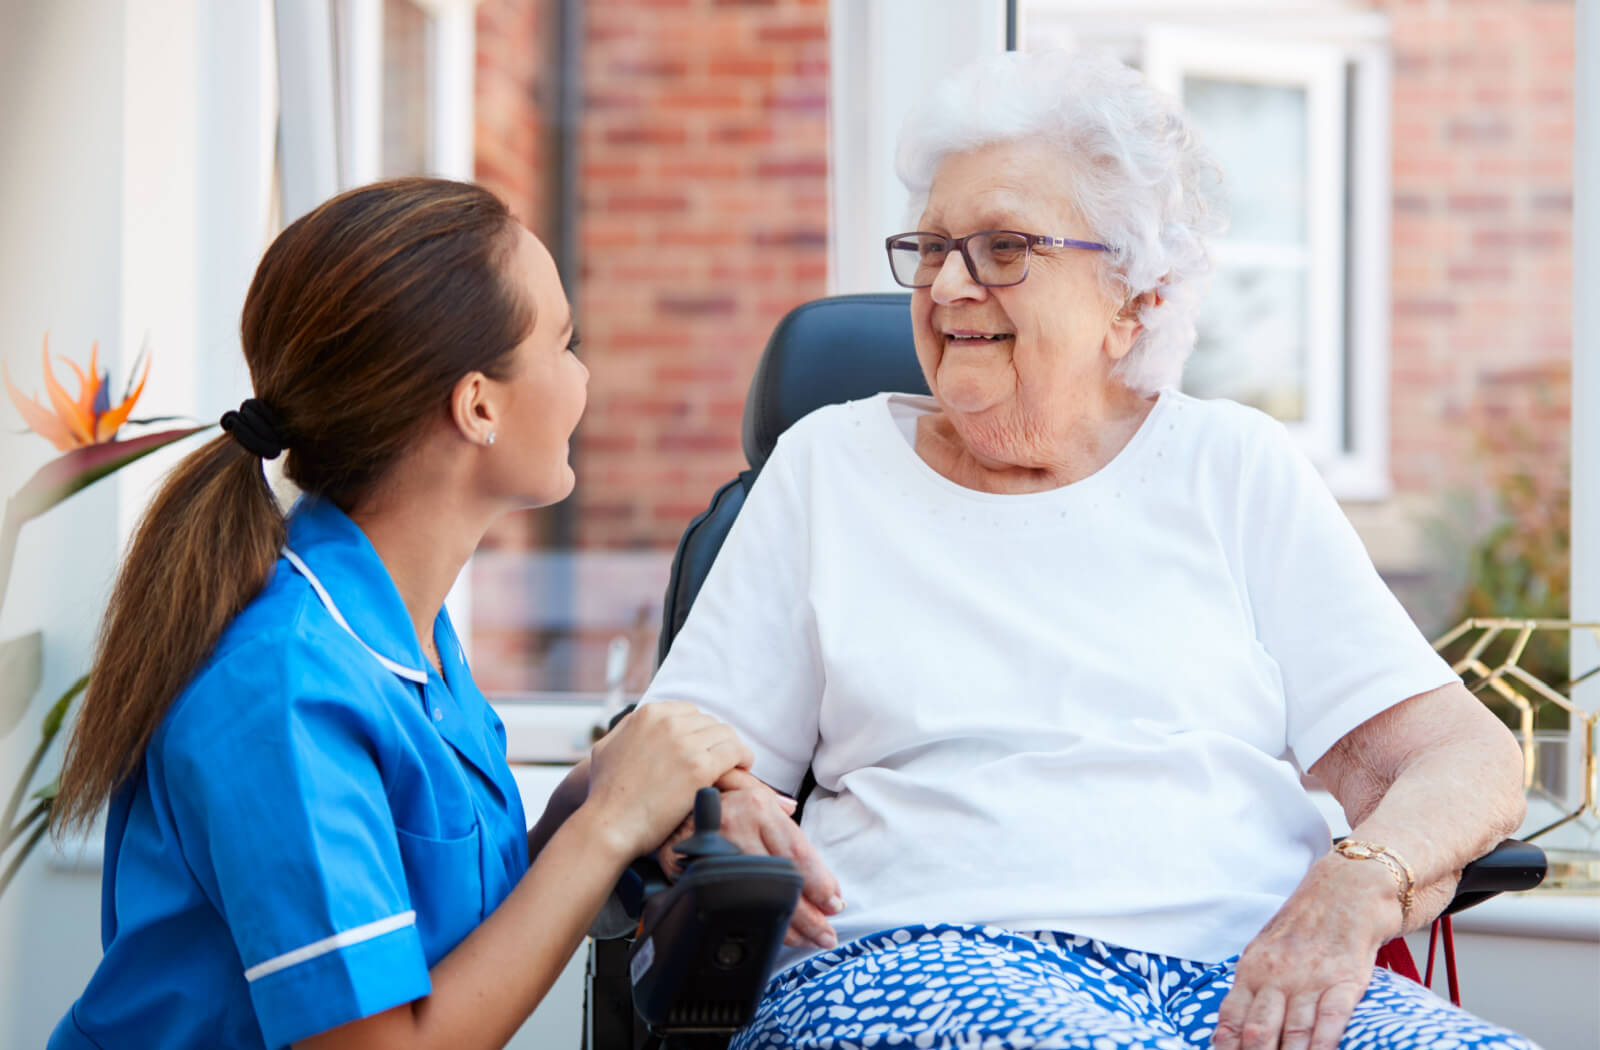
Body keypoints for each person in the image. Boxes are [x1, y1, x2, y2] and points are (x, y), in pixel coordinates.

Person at [630, 51, 1536, 1050]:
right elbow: (682, 755)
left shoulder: (1231, 466)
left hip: (1241, 972)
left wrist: (1360, 885)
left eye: (1003, 247)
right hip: (923, 956)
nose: (946, 287)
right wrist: (724, 805)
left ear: (1135, 299)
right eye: (930, 248)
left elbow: (1461, 756)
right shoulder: (829, 468)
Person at [46, 178, 750, 1050]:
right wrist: (604, 832)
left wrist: (597, 799)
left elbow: (438, 930)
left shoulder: (403, 636)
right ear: (478, 403)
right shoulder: (284, 686)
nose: (583, 376)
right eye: (564, 344)